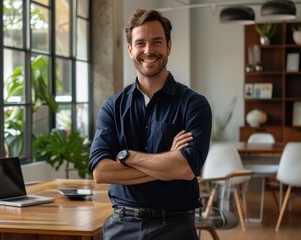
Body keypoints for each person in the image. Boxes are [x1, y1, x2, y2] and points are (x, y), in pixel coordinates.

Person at [88, 9, 212, 240]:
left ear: (169, 46)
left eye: (156, 42)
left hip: (174, 228)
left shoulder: (194, 104)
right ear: (130, 50)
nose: (148, 51)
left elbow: (186, 169)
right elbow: (101, 171)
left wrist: (125, 156)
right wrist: (167, 164)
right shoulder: (112, 107)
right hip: (121, 227)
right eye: (140, 43)